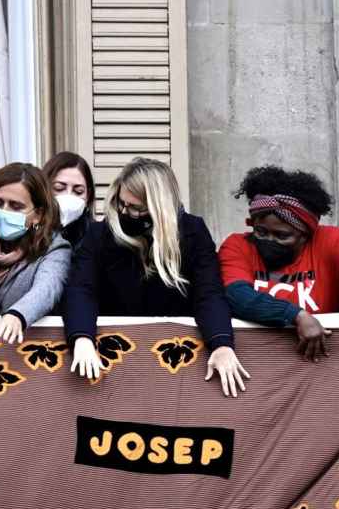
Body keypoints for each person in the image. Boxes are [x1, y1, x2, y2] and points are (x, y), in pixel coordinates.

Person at [64, 157, 249, 396]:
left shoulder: (193, 233)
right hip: (114, 361)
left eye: (136, 208)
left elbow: (209, 293)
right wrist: (82, 337)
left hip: (176, 365)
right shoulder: (100, 235)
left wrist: (221, 344)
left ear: (159, 208)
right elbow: (81, 289)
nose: (125, 213)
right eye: (122, 204)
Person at [218, 166, 339, 372]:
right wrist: (297, 315)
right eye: (261, 231)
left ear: (306, 234)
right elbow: (236, 295)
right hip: (257, 361)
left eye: (282, 235)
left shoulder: (327, 240)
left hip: (320, 365)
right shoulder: (238, 245)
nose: (269, 240)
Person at [0, 162, 71, 344]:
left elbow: (47, 289)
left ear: (38, 214)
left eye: (16, 206)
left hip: (24, 351)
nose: (4, 211)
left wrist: (17, 314)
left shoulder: (54, 248)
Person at [43, 151, 96, 249]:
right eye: (59, 188)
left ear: (88, 196)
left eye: (78, 191)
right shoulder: (31, 234)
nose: (69, 196)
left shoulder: (97, 238)